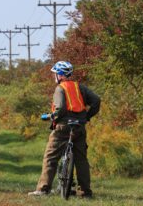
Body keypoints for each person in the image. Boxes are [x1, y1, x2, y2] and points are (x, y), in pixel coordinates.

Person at [28, 61, 100, 197]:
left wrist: (51, 116)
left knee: (50, 157)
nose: (54, 76)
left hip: (63, 127)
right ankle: (85, 192)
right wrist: (87, 117)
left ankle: (43, 189)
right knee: (81, 160)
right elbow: (96, 101)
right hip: (79, 126)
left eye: (55, 74)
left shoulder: (60, 88)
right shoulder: (80, 87)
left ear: (60, 75)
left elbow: (60, 108)